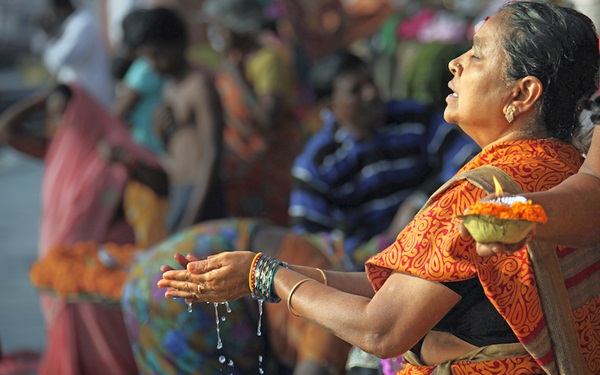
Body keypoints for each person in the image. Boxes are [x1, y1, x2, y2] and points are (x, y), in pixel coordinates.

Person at [158, 2, 600, 374]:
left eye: (478, 55)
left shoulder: (479, 192)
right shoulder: (568, 168)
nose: (455, 62)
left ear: (522, 95)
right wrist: (266, 274)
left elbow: (381, 331)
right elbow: (404, 292)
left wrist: (265, 276)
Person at [0, 83, 169, 374]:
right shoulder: (57, 148)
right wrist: (42, 98)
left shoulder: (112, 145)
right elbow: (7, 131)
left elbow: (161, 183)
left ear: (82, 113)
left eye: (65, 116)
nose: (59, 125)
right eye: (54, 118)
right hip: (64, 259)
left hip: (107, 257)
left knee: (108, 340)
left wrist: (124, 160)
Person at [289, 50, 477, 271]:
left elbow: (469, 157)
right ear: (328, 107)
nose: (371, 93)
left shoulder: (415, 118)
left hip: (439, 242)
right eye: (356, 90)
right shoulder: (316, 164)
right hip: (370, 273)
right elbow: (310, 244)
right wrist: (381, 246)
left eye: (371, 82)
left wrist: (420, 202)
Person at [122, 217, 352, 374]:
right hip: (163, 295)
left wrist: (257, 272)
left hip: (153, 276)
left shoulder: (322, 308)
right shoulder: (324, 314)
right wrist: (257, 272)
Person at [203, 0, 305, 226]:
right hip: (242, 174)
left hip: (271, 171)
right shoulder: (232, 61)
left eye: (219, 26)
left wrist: (238, 77)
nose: (216, 34)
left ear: (235, 25)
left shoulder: (267, 59)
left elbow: (268, 117)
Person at [136, 7, 227, 233]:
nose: (154, 65)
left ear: (179, 44)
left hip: (202, 192)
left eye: (158, 55)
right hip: (179, 189)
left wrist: (192, 216)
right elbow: (175, 150)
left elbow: (213, 151)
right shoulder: (169, 88)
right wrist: (161, 133)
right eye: (149, 58)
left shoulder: (198, 85)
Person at [35, 0, 114, 108]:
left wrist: (49, 37)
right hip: (83, 96)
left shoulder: (82, 24)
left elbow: (62, 59)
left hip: (92, 94)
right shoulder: (73, 24)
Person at [112, 8, 167, 156]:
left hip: (148, 148)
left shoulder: (143, 69)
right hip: (161, 146)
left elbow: (116, 114)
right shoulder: (161, 62)